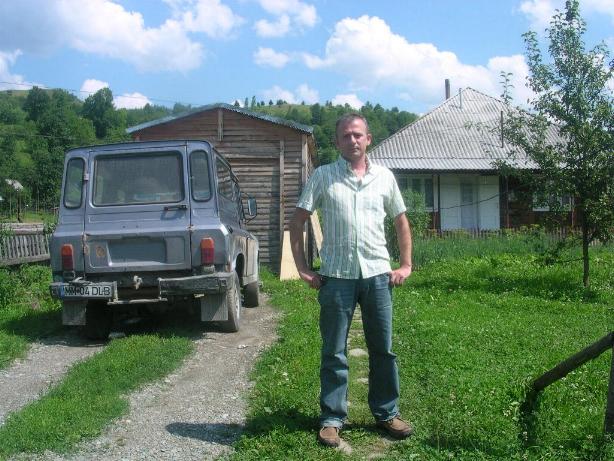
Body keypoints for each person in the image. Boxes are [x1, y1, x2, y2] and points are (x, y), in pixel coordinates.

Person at [289, 113, 413, 448]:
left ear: (368, 139)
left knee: (383, 349)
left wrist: (405, 264)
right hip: (336, 278)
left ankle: (387, 413)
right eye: (345, 135)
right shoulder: (323, 176)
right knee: (334, 350)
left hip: (377, 276)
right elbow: (297, 222)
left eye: (357, 134)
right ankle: (332, 418)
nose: (352, 140)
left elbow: (401, 222)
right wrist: (302, 268)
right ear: (337, 141)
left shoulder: (384, 177)